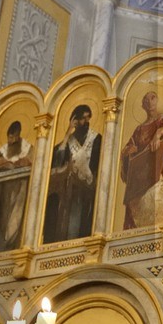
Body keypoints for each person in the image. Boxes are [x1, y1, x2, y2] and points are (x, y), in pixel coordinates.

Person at [44, 104, 102, 242]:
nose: (86, 122)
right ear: (75, 121)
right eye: (82, 118)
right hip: (69, 190)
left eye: (88, 118)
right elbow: (57, 161)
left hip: (88, 189)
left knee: (80, 223)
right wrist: (67, 133)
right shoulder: (69, 141)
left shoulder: (96, 138)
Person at [119, 91, 163, 229]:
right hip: (137, 177)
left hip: (153, 172)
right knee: (134, 212)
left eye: (153, 97)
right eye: (146, 100)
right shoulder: (139, 129)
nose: (150, 102)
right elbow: (128, 148)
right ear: (143, 105)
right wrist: (127, 152)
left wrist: (158, 134)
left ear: (157, 100)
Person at [0, 122, 33, 254]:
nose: (11, 141)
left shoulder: (28, 148)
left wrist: (23, 162)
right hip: (1, 193)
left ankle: (11, 248)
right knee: (0, 222)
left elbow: (35, 162)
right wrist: (2, 164)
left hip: (19, 190)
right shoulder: (1, 151)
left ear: (19, 136)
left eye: (14, 137)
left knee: (14, 223)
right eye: (9, 137)